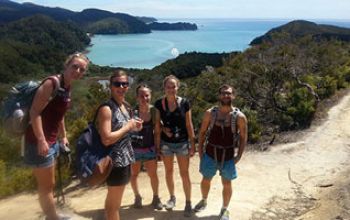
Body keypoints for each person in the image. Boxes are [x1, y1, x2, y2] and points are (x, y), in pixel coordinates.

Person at [24, 52, 89, 220]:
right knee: (45, 187)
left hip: (51, 141)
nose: (78, 71)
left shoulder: (67, 87)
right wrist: (41, 140)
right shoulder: (51, 83)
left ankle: (51, 215)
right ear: (66, 66)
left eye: (82, 69)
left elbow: (59, 115)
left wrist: (63, 136)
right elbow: (34, 112)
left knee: (50, 185)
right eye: (75, 66)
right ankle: (52, 218)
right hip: (38, 142)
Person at [194, 84, 248, 220]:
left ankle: (224, 209)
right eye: (223, 93)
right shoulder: (210, 114)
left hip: (228, 155)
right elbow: (202, 132)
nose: (226, 96)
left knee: (227, 183)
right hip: (210, 153)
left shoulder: (239, 117)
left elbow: (243, 137)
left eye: (229, 93)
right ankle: (204, 200)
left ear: (233, 96)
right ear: (219, 96)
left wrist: (239, 156)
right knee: (206, 179)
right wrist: (200, 152)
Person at [97, 70, 143, 220]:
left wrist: (135, 127)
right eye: (117, 84)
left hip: (125, 159)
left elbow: (125, 130)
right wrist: (128, 127)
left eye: (125, 84)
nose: (121, 87)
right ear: (110, 86)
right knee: (114, 204)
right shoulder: (107, 109)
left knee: (114, 200)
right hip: (115, 162)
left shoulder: (125, 106)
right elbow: (106, 139)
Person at [154, 75, 196, 217]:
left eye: (174, 86)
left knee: (184, 174)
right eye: (168, 87)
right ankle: (172, 198)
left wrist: (192, 144)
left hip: (183, 143)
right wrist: (158, 144)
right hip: (166, 144)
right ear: (164, 88)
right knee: (169, 172)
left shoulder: (184, 103)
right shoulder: (159, 104)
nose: (171, 89)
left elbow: (189, 124)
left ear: (177, 87)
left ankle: (188, 203)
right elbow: (157, 124)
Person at [130, 84, 163, 210]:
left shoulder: (154, 112)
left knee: (153, 175)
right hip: (135, 149)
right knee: (134, 175)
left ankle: (156, 197)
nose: (144, 98)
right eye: (141, 96)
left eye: (147, 95)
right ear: (137, 97)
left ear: (150, 96)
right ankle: (137, 197)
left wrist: (158, 149)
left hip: (150, 148)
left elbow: (157, 132)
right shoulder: (132, 112)